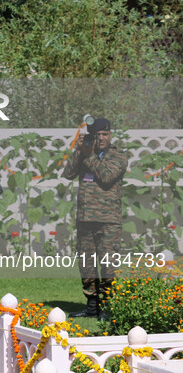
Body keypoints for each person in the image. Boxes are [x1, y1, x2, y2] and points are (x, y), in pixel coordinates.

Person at [62, 118, 127, 320]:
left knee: (108, 264)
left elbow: (106, 177)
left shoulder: (118, 156)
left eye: (104, 134)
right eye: (96, 135)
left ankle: (107, 307)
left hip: (108, 220)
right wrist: (79, 151)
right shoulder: (85, 153)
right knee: (86, 265)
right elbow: (68, 173)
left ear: (110, 135)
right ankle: (91, 306)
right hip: (85, 219)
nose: (100, 138)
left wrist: (89, 156)